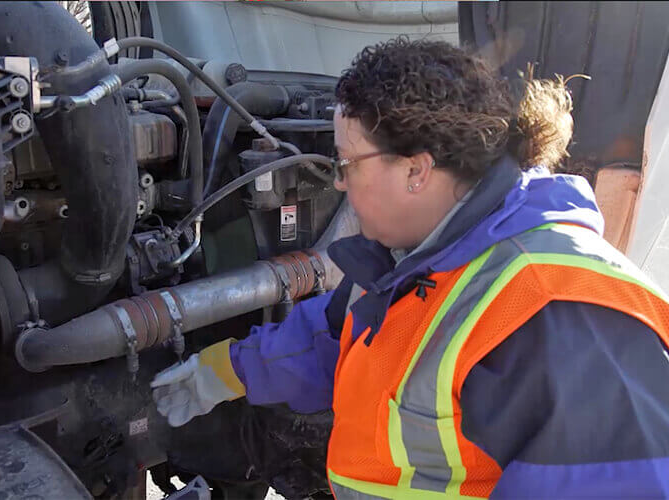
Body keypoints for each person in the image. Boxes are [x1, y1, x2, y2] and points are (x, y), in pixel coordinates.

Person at [151, 37, 669, 499]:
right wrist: (226, 370)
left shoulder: (559, 312)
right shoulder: (417, 261)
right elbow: (337, 340)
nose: (338, 185)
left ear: (417, 171)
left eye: (346, 164)